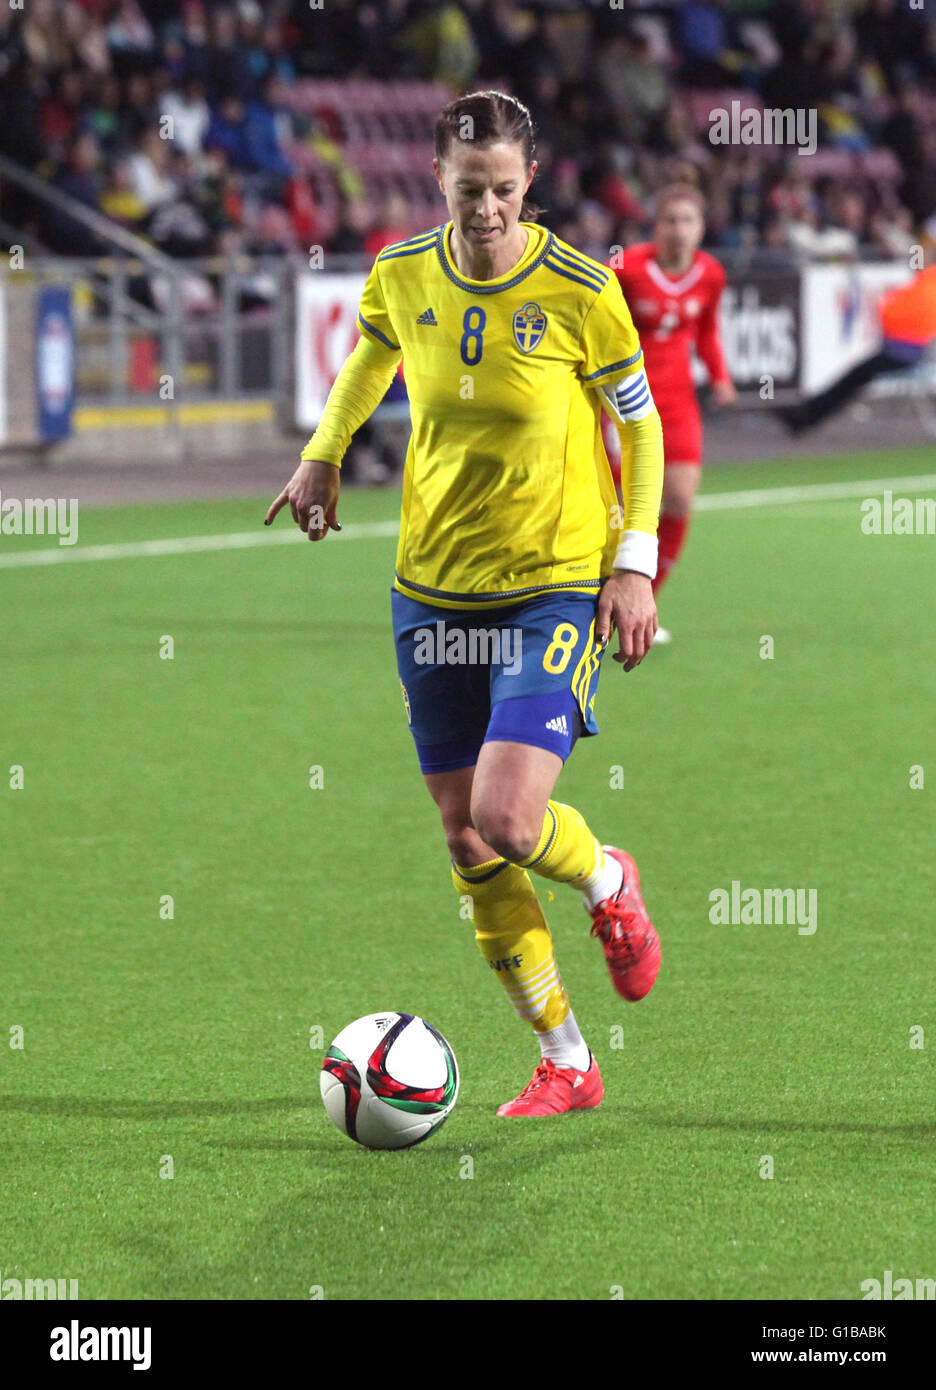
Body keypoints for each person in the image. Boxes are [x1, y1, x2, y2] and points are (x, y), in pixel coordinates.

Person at [267, 91, 665, 1119]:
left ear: (529, 182)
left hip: (553, 582)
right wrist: (324, 452)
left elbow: (643, 421)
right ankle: (567, 1059)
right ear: (437, 179)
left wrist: (633, 562)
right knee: (466, 838)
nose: (484, 206)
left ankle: (608, 878)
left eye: (502, 187)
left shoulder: (584, 289)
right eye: (466, 186)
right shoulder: (403, 273)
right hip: (430, 587)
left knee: (509, 814)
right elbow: (371, 353)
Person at [603, 185, 735, 640]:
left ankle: (644, 604)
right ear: (655, 226)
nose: (678, 230)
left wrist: (720, 375)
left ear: (701, 228)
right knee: (619, 509)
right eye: (670, 220)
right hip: (626, 399)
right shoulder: (626, 266)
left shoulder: (711, 274)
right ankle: (601, 597)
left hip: (678, 401)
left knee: (678, 499)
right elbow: (592, 314)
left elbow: (707, 331)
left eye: (688, 221)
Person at [777, 262, 936, 433]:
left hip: (906, 350)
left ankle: (805, 417)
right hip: (905, 349)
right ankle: (805, 416)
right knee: (855, 377)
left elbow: (899, 309)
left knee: (854, 378)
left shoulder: (928, 282)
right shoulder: (927, 281)